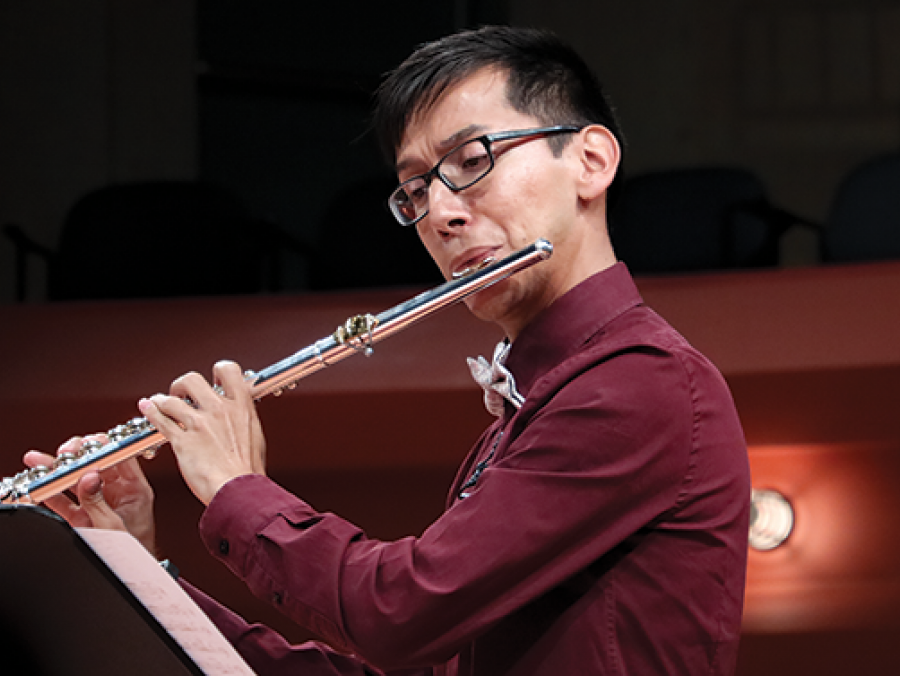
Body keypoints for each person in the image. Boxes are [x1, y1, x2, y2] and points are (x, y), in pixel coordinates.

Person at [26, 25, 751, 676]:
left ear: (589, 161)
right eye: (415, 189)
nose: (440, 213)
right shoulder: (530, 409)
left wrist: (235, 489)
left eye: (471, 160)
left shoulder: (637, 384)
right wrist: (130, 571)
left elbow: (395, 615)